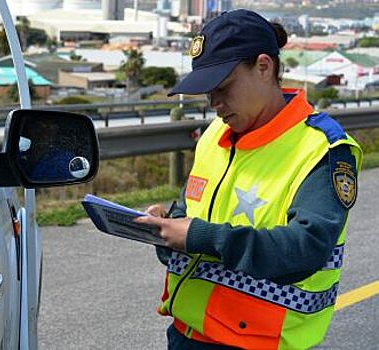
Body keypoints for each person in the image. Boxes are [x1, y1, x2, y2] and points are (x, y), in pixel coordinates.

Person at [134, 9, 362, 350]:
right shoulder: (216, 135)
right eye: (207, 93)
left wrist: (197, 235)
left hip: (259, 343)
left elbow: (306, 249)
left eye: (223, 88)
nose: (215, 104)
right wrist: (166, 228)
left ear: (264, 66)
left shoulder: (322, 149)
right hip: (187, 333)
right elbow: (190, 222)